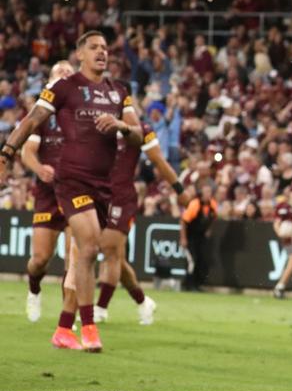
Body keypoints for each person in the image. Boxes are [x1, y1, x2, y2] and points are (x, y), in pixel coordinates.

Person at [0, 31, 143, 352]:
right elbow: (32, 119)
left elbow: (138, 134)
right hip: (71, 181)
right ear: (80, 54)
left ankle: (64, 329)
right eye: (94, 48)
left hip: (103, 187)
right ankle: (89, 328)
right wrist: (7, 153)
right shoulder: (64, 87)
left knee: (89, 252)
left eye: (105, 48)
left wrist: (121, 126)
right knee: (89, 248)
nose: (101, 52)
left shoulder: (120, 92)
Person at [94, 121, 187, 324]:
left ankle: (100, 309)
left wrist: (179, 189)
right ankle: (144, 302)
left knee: (109, 251)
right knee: (117, 259)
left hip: (121, 198)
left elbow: (159, 161)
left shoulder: (140, 129)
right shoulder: (96, 120)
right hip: (97, 195)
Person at [21, 60, 74, 325]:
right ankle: (34, 289)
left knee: (74, 261)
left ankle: (68, 316)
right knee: (40, 259)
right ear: (50, 82)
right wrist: (40, 169)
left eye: (69, 71)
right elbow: (27, 152)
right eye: (59, 71)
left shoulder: (81, 113)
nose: (65, 73)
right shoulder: (42, 115)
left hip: (76, 192)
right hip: (47, 194)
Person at [180, 182, 218, 291]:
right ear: (201, 193)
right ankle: (188, 284)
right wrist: (183, 238)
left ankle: (197, 284)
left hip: (201, 237)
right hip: (191, 236)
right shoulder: (195, 204)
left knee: (201, 260)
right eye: (206, 192)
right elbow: (183, 221)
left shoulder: (212, 204)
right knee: (192, 261)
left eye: (210, 192)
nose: (208, 194)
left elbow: (215, 217)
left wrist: (209, 229)